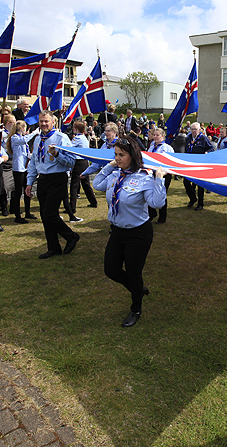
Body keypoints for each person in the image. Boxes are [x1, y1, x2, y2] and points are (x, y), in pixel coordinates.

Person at [93, 137, 166, 327]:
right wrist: (109, 166)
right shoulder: (115, 175)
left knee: (134, 273)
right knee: (111, 269)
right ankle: (138, 289)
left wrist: (159, 180)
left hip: (138, 233)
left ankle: (136, 308)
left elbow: (157, 203)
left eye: (121, 155)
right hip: (117, 231)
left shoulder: (144, 177)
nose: (117, 158)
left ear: (132, 156)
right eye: (115, 154)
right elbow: (97, 184)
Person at [25, 111, 80, 259]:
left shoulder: (61, 138)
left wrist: (56, 154)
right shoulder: (38, 139)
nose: (43, 124)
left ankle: (71, 236)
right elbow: (33, 163)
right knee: (46, 216)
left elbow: (71, 162)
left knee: (49, 214)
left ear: (53, 122)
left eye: (46, 121)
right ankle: (53, 247)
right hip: (43, 179)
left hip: (57, 179)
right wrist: (29, 182)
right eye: (41, 121)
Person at [7, 120, 39, 224]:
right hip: (18, 168)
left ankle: (28, 212)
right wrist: (33, 133)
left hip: (25, 167)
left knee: (27, 190)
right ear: (21, 128)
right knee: (18, 192)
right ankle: (17, 215)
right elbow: (24, 140)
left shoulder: (20, 138)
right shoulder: (15, 138)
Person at [69, 120, 98, 215]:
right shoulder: (84, 138)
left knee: (74, 185)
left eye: (73, 127)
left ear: (76, 129)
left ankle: (72, 207)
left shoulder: (77, 138)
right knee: (85, 183)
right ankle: (93, 202)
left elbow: (69, 147)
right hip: (85, 162)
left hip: (78, 163)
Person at [184, 122, 214, 210]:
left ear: (199, 130)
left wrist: (206, 152)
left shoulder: (203, 138)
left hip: (200, 164)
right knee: (186, 182)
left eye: (195, 129)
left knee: (200, 185)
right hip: (190, 164)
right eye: (192, 129)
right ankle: (193, 198)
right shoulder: (188, 138)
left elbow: (211, 148)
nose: (193, 131)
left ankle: (200, 204)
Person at [147, 127, 175, 223]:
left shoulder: (167, 148)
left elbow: (172, 163)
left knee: (162, 194)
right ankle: (151, 213)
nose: (155, 137)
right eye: (154, 135)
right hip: (152, 174)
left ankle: (162, 217)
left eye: (157, 135)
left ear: (163, 136)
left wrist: (164, 172)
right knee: (150, 193)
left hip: (163, 175)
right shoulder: (151, 147)